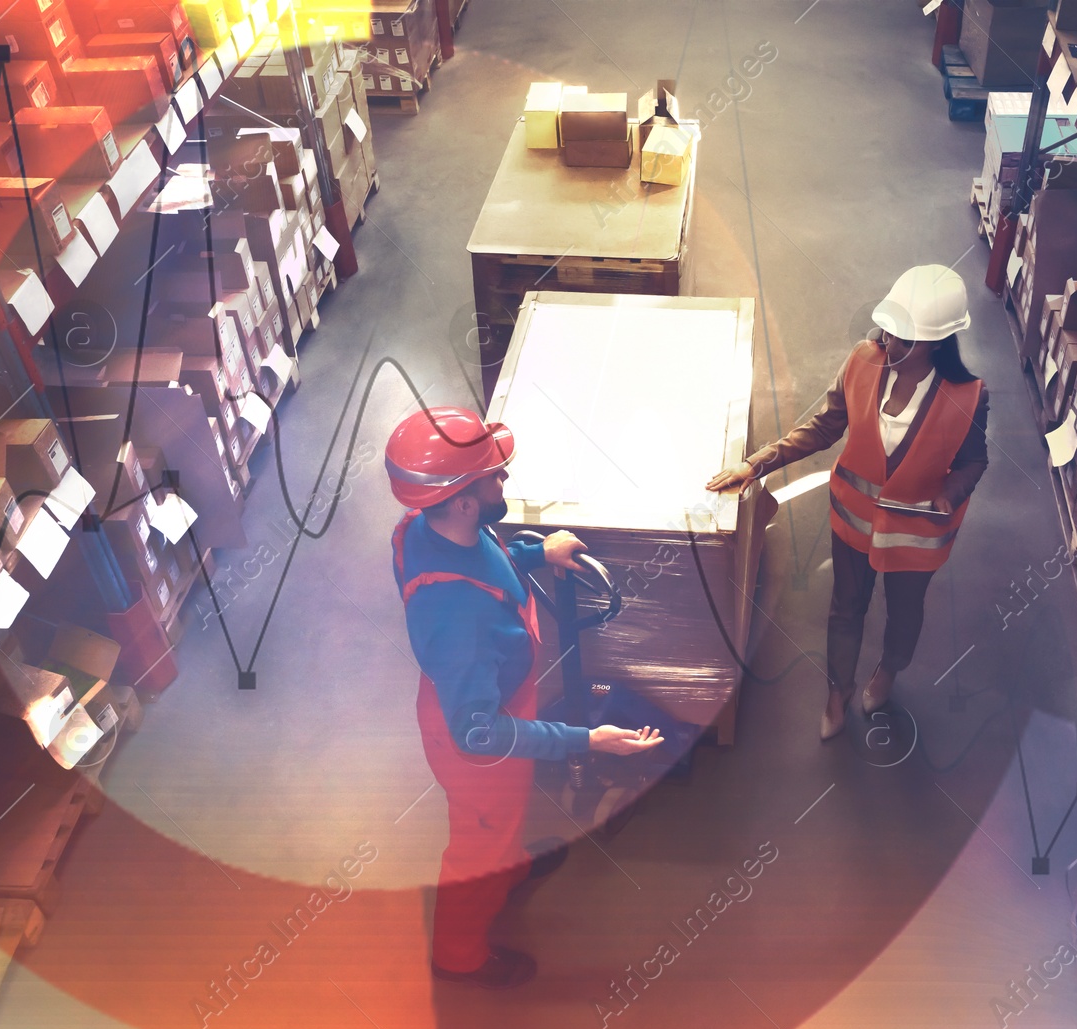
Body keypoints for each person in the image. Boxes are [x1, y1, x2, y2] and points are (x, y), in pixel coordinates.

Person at [386, 406, 664, 990]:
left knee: (500, 830)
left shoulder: (427, 529)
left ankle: (504, 864)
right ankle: (459, 956)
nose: (504, 479)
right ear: (463, 500)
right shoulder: (456, 620)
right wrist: (587, 740)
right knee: (477, 849)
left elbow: (483, 562)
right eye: (493, 475)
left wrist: (536, 554)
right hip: (478, 740)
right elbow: (477, 733)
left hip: (485, 698)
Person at [706, 265, 989, 740]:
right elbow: (823, 427)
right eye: (888, 331)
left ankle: (887, 673)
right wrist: (755, 464)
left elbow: (973, 462)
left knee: (905, 613)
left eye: (905, 339)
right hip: (853, 522)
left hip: (915, 535)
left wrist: (950, 493)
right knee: (845, 608)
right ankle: (837, 693)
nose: (889, 345)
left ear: (937, 343)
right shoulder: (863, 361)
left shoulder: (969, 397)